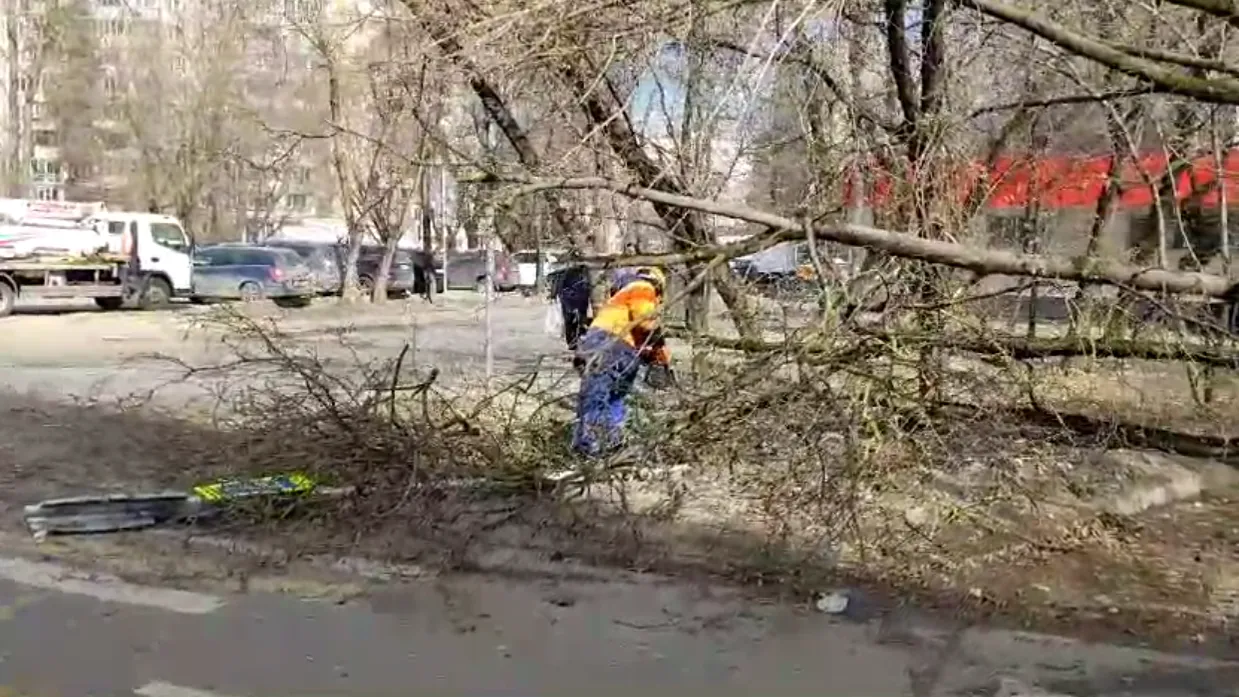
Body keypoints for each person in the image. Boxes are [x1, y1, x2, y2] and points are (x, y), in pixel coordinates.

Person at [571, 266, 671, 457]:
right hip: (611, 345)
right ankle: (601, 445)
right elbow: (646, 322)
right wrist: (660, 346)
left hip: (611, 347)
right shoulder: (642, 287)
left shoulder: (621, 296)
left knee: (604, 396)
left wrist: (655, 352)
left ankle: (597, 447)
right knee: (606, 397)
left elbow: (639, 329)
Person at [550, 251, 593, 370]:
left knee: (577, 321)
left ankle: (576, 342)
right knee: (571, 321)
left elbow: (558, 286)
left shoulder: (583, 271)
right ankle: (574, 343)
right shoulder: (571, 272)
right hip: (571, 299)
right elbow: (558, 285)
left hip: (577, 299)